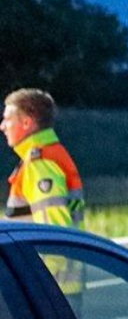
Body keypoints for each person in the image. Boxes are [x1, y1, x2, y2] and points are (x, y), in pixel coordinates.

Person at [4, 88, 85, 229]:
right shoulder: (50, 154)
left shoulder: (40, 162)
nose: (2, 126)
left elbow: (54, 232)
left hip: (42, 251)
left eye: (7, 119)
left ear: (26, 123)